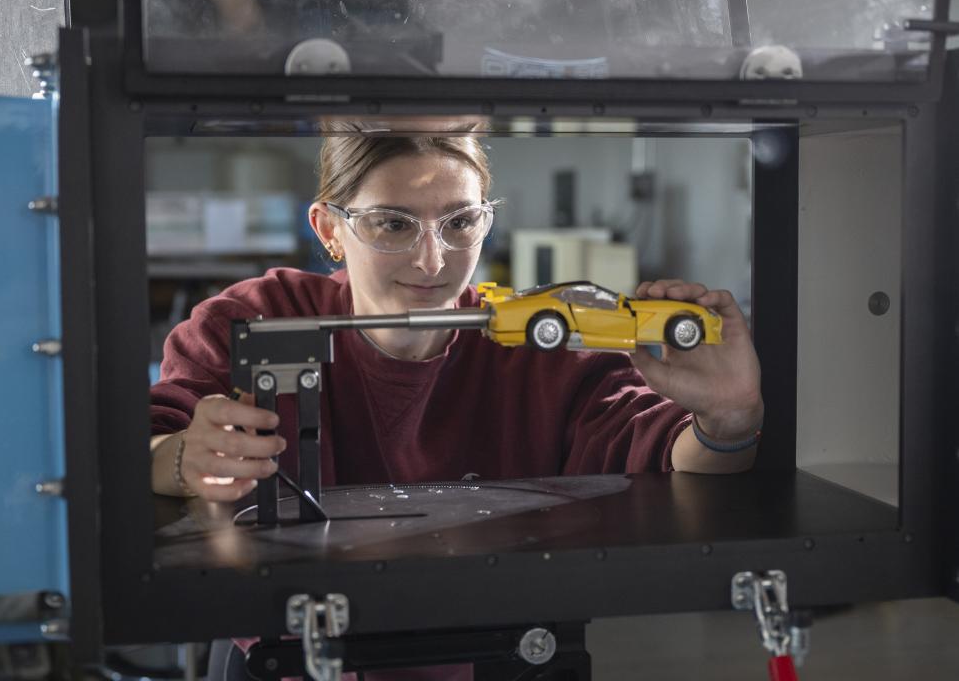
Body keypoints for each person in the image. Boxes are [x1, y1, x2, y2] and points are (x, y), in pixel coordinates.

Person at [150, 125, 763, 500]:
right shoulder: (257, 318)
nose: (432, 260)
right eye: (393, 223)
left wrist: (729, 420)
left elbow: (660, 456)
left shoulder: (538, 346)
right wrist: (180, 458)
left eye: (460, 222)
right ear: (329, 229)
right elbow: (147, 437)